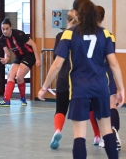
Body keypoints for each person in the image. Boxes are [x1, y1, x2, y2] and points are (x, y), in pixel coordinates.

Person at [38, 0, 125, 159]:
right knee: (107, 130)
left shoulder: (68, 35)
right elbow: (114, 64)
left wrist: (44, 87)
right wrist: (121, 88)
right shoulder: (105, 34)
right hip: (101, 87)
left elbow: (57, 64)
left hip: (79, 88)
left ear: (76, 13)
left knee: (80, 134)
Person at [0, 17, 41, 106]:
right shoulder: (3, 39)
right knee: (10, 75)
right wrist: (6, 59)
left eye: (7, 29)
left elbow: (33, 44)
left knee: (19, 76)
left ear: (11, 28)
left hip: (29, 55)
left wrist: (38, 59)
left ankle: (23, 98)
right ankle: (6, 100)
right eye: (3, 29)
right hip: (19, 56)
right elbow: (7, 54)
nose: (5, 31)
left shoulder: (19, 34)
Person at [50, 9, 79, 149]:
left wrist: (44, 87)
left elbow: (56, 58)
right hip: (79, 80)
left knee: (60, 109)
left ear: (67, 20)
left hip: (63, 77)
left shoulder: (61, 36)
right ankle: (98, 136)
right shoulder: (83, 36)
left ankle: (57, 130)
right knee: (89, 110)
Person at [96, 5, 121, 151]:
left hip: (93, 75)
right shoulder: (109, 35)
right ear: (103, 17)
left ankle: (105, 137)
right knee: (112, 105)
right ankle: (114, 132)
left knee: (98, 107)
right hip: (107, 74)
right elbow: (112, 60)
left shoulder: (86, 34)